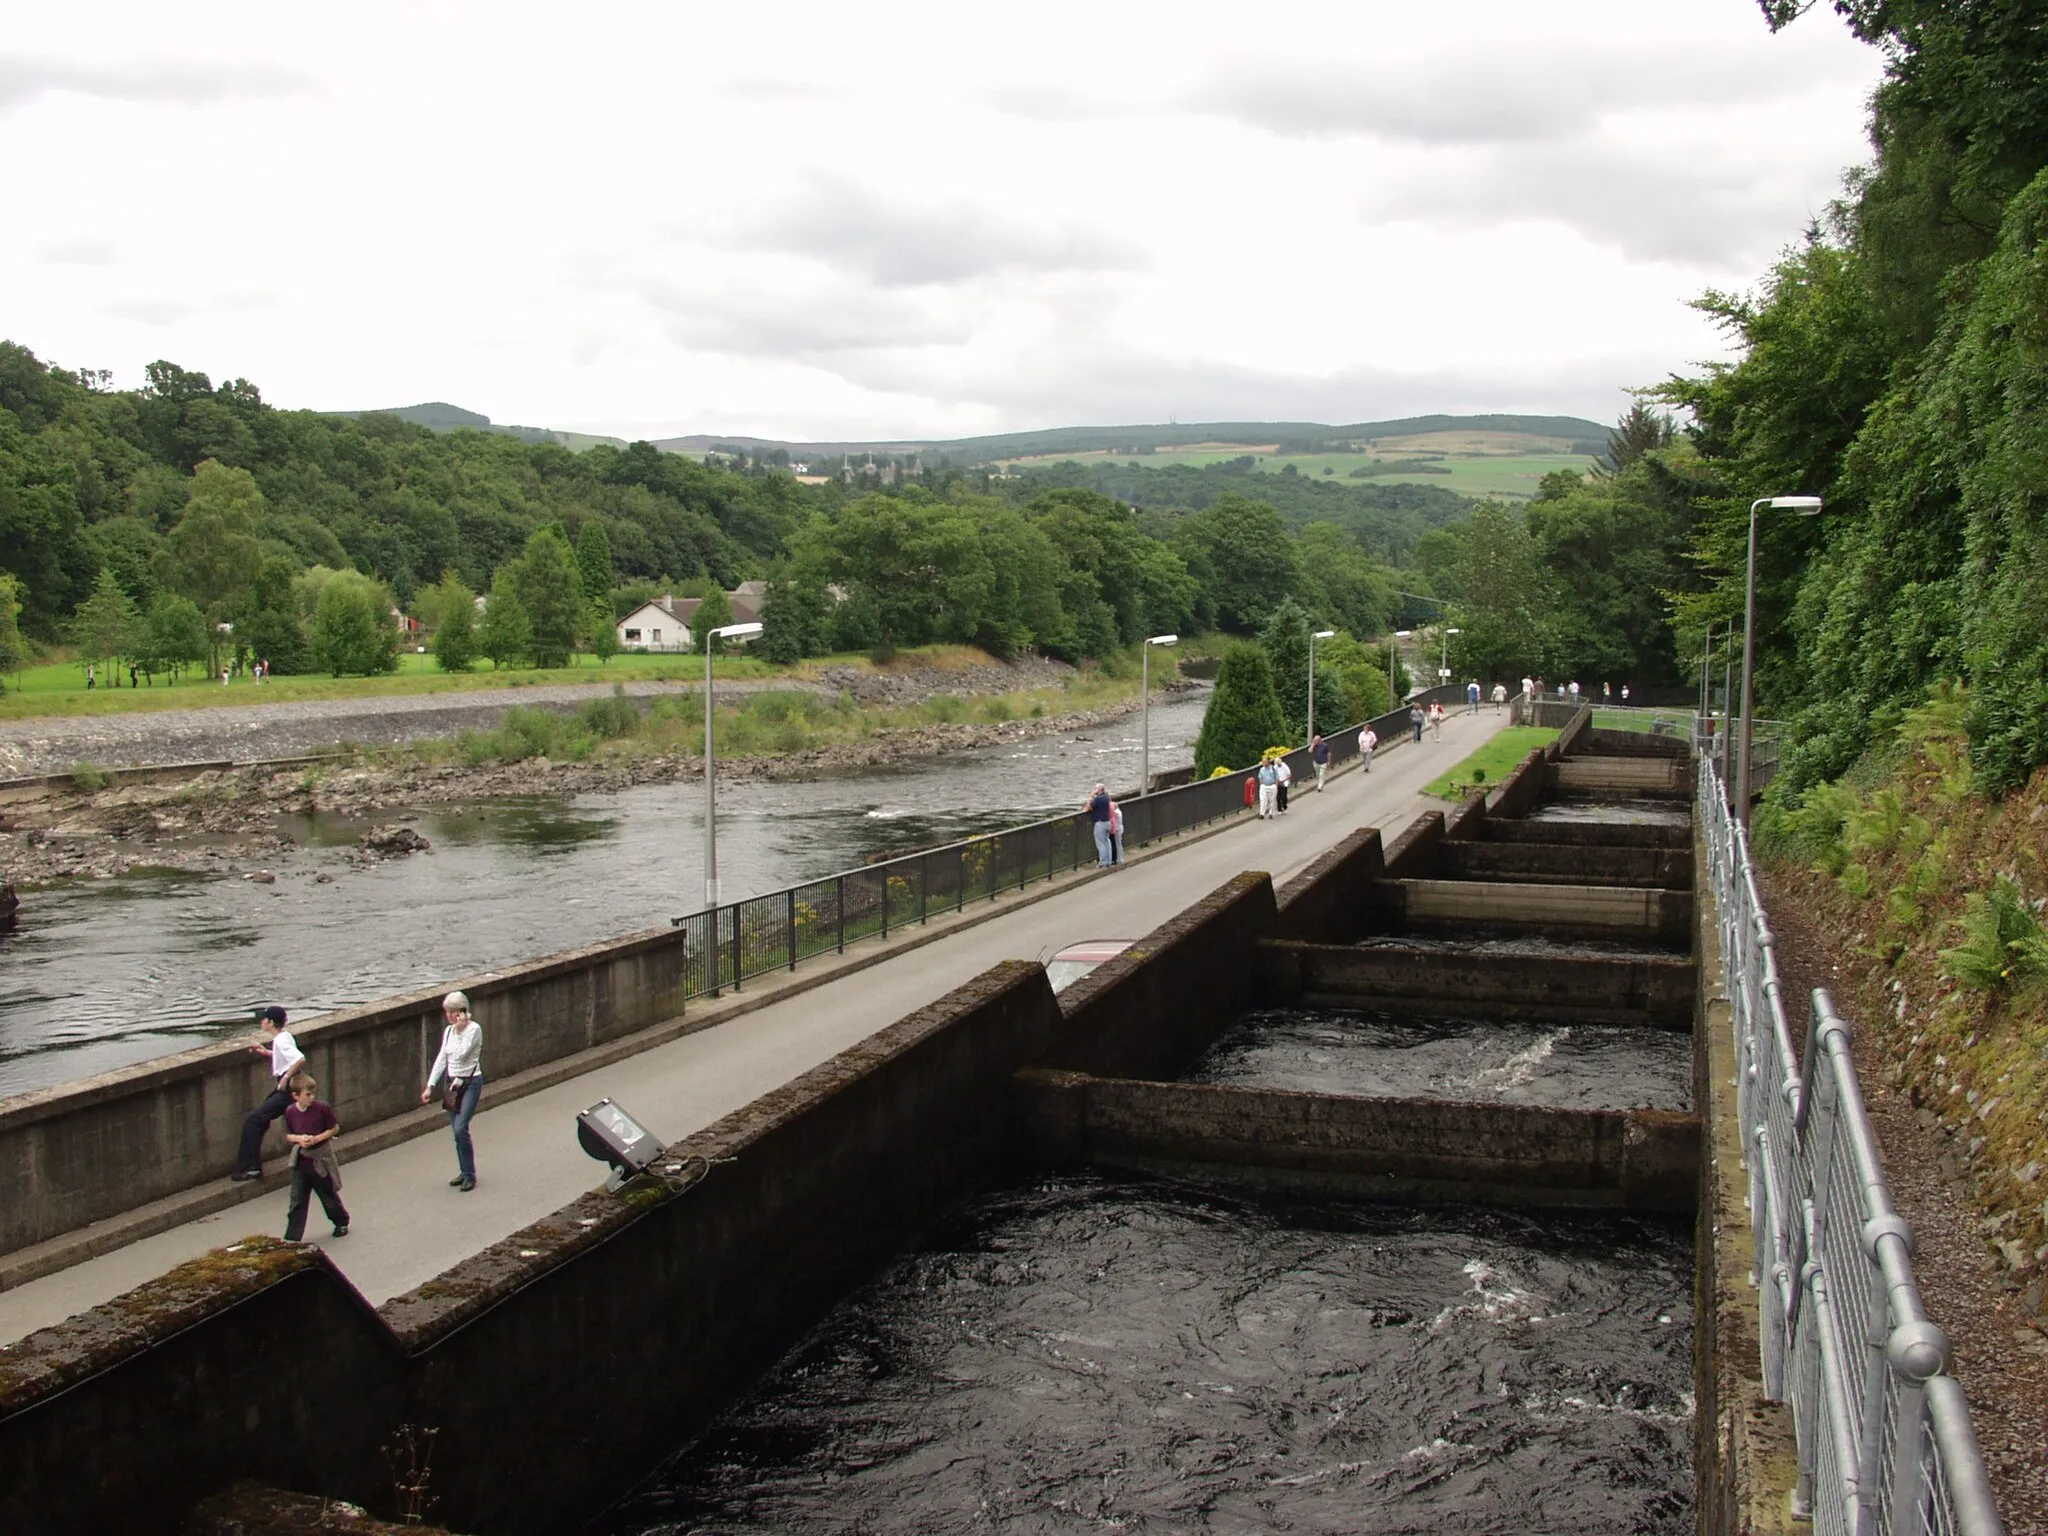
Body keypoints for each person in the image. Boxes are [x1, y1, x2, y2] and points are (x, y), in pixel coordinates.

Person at [233, 1006, 306, 1181]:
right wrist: (267, 1053)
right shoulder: (284, 1036)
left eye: (263, 1019)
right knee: (260, 1119)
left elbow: (299, 1058)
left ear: (271, 1022)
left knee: (253, 1121)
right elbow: (286, 1056)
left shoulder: (281, 1039)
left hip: (287, 1090)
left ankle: (251, 1167)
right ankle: (252, 1166)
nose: (261, 1022)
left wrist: (286, 1078)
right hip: (289, 1088)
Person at [422, 991, 483, 1191]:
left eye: (452, 1011)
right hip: (452, 1084)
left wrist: (459, 1031)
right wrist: (430, 1085)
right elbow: (443, 1058)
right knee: (456, 1132)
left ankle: (470, 1175)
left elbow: (462, 1054)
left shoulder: (474, 1030)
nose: (449, 1016)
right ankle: (464, 1171)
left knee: (460, 1127)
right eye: (447, 1012)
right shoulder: (449, 1031)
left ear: (462, 1011)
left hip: (470, 1082)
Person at [281, 1073, 349, 1241]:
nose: (312, 1098)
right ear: (296, 1096)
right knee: (297, 1200)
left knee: (327, 1195)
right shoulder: (290, 1112)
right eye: (307, 1095)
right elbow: (288, 1135)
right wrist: (299, 1139)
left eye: (313, 1094)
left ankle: (341, 1221)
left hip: (319, 1159)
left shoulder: (321, 1108)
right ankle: (293, 1237)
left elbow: (334, 1128)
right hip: (302, 1160)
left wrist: (317, 1138)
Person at [1085, 783, 1114, 867]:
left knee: (1101, 844)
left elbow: (1089, 806)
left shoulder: (1098, 799)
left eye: (1095, 789)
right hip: (1107, 822)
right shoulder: (1106, 797)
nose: (1094, 790)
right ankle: (1108, 861)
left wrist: (1091, 796)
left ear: (1099, 790)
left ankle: (1103, 862)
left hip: (1100, 823)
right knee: (1107, 842)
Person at [1108, 796, 1125, 866]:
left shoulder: (1116, 813)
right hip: (1119, 828)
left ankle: (1119, 859)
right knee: (1119, 843)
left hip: (1118, 829)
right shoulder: (1119, 811)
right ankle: (1120, 858)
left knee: (1118, 844)